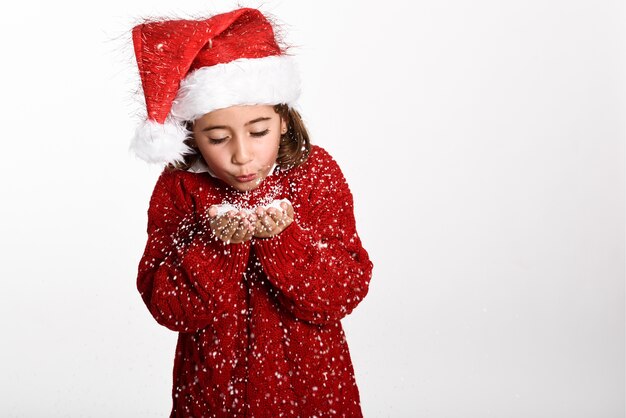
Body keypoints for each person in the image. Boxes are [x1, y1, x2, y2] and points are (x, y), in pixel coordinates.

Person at [130, 8, 373, 417]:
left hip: (311, 392)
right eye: (218, 137)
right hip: (214, 395)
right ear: (193, 135)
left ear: (283, 119)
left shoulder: (314, 174)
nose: (242, 156)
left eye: (258, 131)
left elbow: (343, 292)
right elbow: (168, 306)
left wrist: (284, 239)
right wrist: (214, 246)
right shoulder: (180, 188)